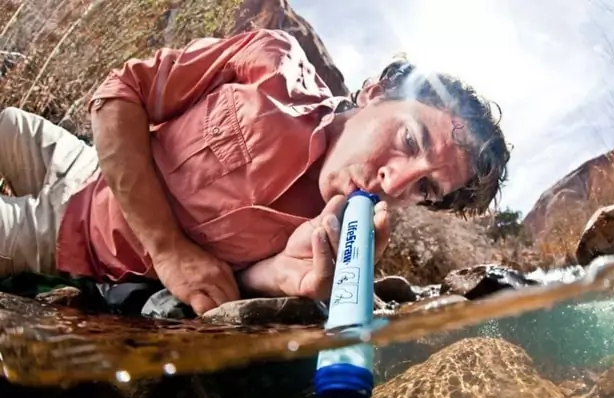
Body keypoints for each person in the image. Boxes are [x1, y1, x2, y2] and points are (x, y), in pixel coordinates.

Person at [0, 29, 510, 317]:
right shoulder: (273, 59)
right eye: (409, 141)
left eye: (425, 187)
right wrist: (170, 250)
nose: (395, 184)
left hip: (71, 237)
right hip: (82, 161)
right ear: (375, 94)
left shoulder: (339, 239)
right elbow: (120, 95)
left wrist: (290, 278)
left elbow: (236, 282)